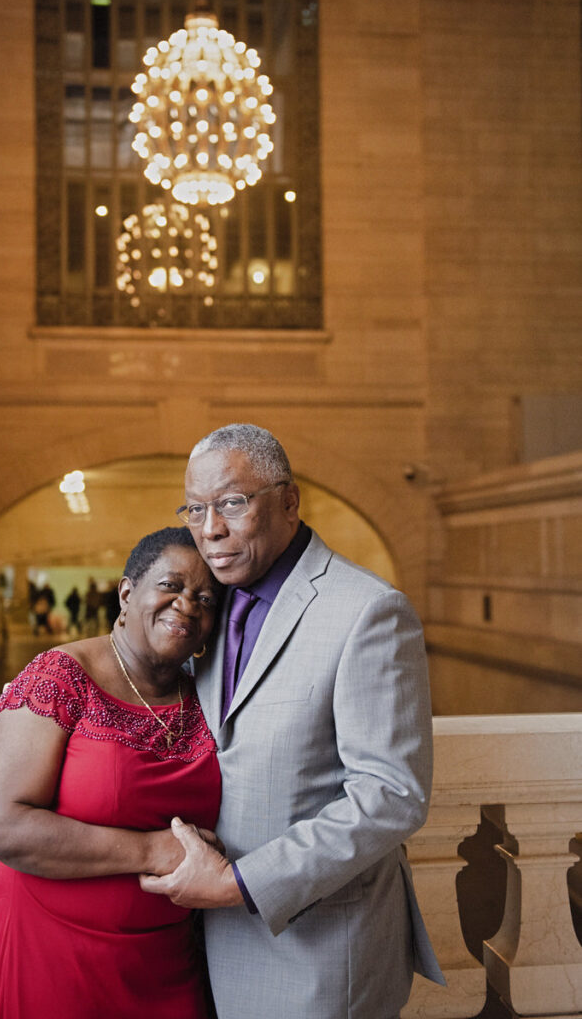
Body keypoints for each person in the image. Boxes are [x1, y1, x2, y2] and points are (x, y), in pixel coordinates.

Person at [140, 424, 445, 1019]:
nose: (210, 530)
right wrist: (46, 703)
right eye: (196, 508)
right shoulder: (209, 600)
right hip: (204, 942)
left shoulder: (368, 611)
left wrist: (243, 884)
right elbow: (138, 660)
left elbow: (392, 794)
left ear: (288, 500)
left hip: (320, 950)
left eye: (231, 503)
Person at [0, 527, 222, 1019]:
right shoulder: (58, 677)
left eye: (206, 598)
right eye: (171, 586)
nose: (187, 605)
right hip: (46, 954)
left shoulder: (207, 695)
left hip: (165, 960)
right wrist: (153, 850)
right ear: (127, 593)